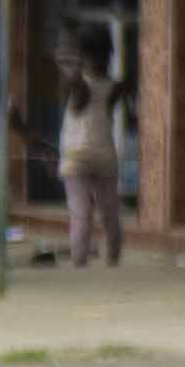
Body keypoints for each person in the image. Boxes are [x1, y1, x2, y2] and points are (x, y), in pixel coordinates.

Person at [58, 29, 126, 265]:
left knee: (104, 214)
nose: (95, 62)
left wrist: (71, 65)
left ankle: (107, 260)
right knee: (87, 214)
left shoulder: (111, 87)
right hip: (79, 160)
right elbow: (79, 93)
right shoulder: (79, 86)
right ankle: (83, 261)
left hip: (100, 158)